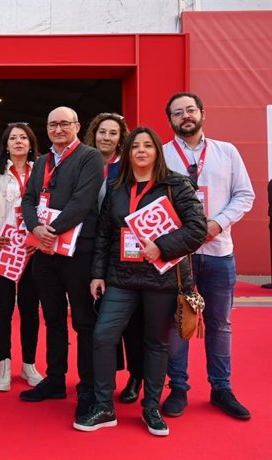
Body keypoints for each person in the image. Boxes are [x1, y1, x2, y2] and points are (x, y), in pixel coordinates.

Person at [75, 127, 207, 436]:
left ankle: (150, 409)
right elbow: (105, 235)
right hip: (122, 276)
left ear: (157, 152)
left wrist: (162, 245)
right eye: (136, 146)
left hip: (162, 278)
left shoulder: (176, 185)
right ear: (128, 152)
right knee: (103, 336)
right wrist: (97, 273)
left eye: (149, 146)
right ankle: (105, 406)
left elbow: (197, 228)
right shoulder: (119, 187)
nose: (142, 151)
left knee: (155, 343)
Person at [162, 92, 255, 420]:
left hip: (218, 251)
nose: (185, 116)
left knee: (220, 323)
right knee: (178, 323)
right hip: (178, 256)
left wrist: (218, 222)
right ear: (170, 120)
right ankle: (178, 387)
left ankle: (221, 388)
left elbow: (245, 194)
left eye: (190, 110)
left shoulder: (226, 152)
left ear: (201, 113)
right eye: (178, 112)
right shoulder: (162, 155)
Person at [20, 107, 103, 419]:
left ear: (77, 126)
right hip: (45, 253)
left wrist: (49, 232)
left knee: (83, 322)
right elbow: (28, 200)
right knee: (53, 319)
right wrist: (35, 229)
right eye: (52, 124)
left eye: (64, 124)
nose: (57, 129)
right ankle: (55, 380)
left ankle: (88, 388)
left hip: (78, 253)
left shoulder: (89, 157)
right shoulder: (42, 161)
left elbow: (82, 203)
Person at [0, 122, 43, 391]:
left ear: (30, 143)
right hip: (2, 249)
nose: (18, 142)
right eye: (12, 138)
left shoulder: (42, 171)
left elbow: (50, 206)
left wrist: (39, 238)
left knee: (30, 309)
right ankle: (4, 364)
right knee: (3, 309)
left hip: (32, 250)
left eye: (23, 137)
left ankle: (29, 365)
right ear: (5, 144)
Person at [85, 112, 143, 404]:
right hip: (90, 250)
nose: (106, 137)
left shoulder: (128, 167)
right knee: (98, 318)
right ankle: (104, 374)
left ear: (122, 138)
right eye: (101, 132)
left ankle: (136, 376)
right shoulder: (85, 163)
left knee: (131, 320)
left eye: (113, 133)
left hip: (124, 252)